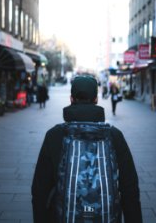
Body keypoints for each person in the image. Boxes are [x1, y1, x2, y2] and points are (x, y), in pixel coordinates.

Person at [31, 75, 142, 223]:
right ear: (96, 100)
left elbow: (40, 189)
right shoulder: (114, 135)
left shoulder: (55, 135)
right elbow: (130, 190)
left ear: (71, 99)